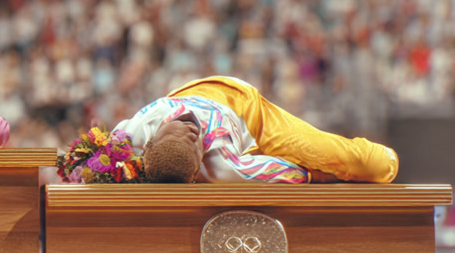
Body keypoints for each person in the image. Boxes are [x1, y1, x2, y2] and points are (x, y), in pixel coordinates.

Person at [111, 76, 398, 184]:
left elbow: (88, 156)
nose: (190, 129)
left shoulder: (132, 134)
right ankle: (383, 160)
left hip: (238, 102)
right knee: (370, 166)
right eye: (193, 142)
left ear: (148, 144)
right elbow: (284, 173)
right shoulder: (222, 168)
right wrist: (314, 173)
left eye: (175, 131)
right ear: (199, 169)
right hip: (254, 123)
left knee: (371, 164)